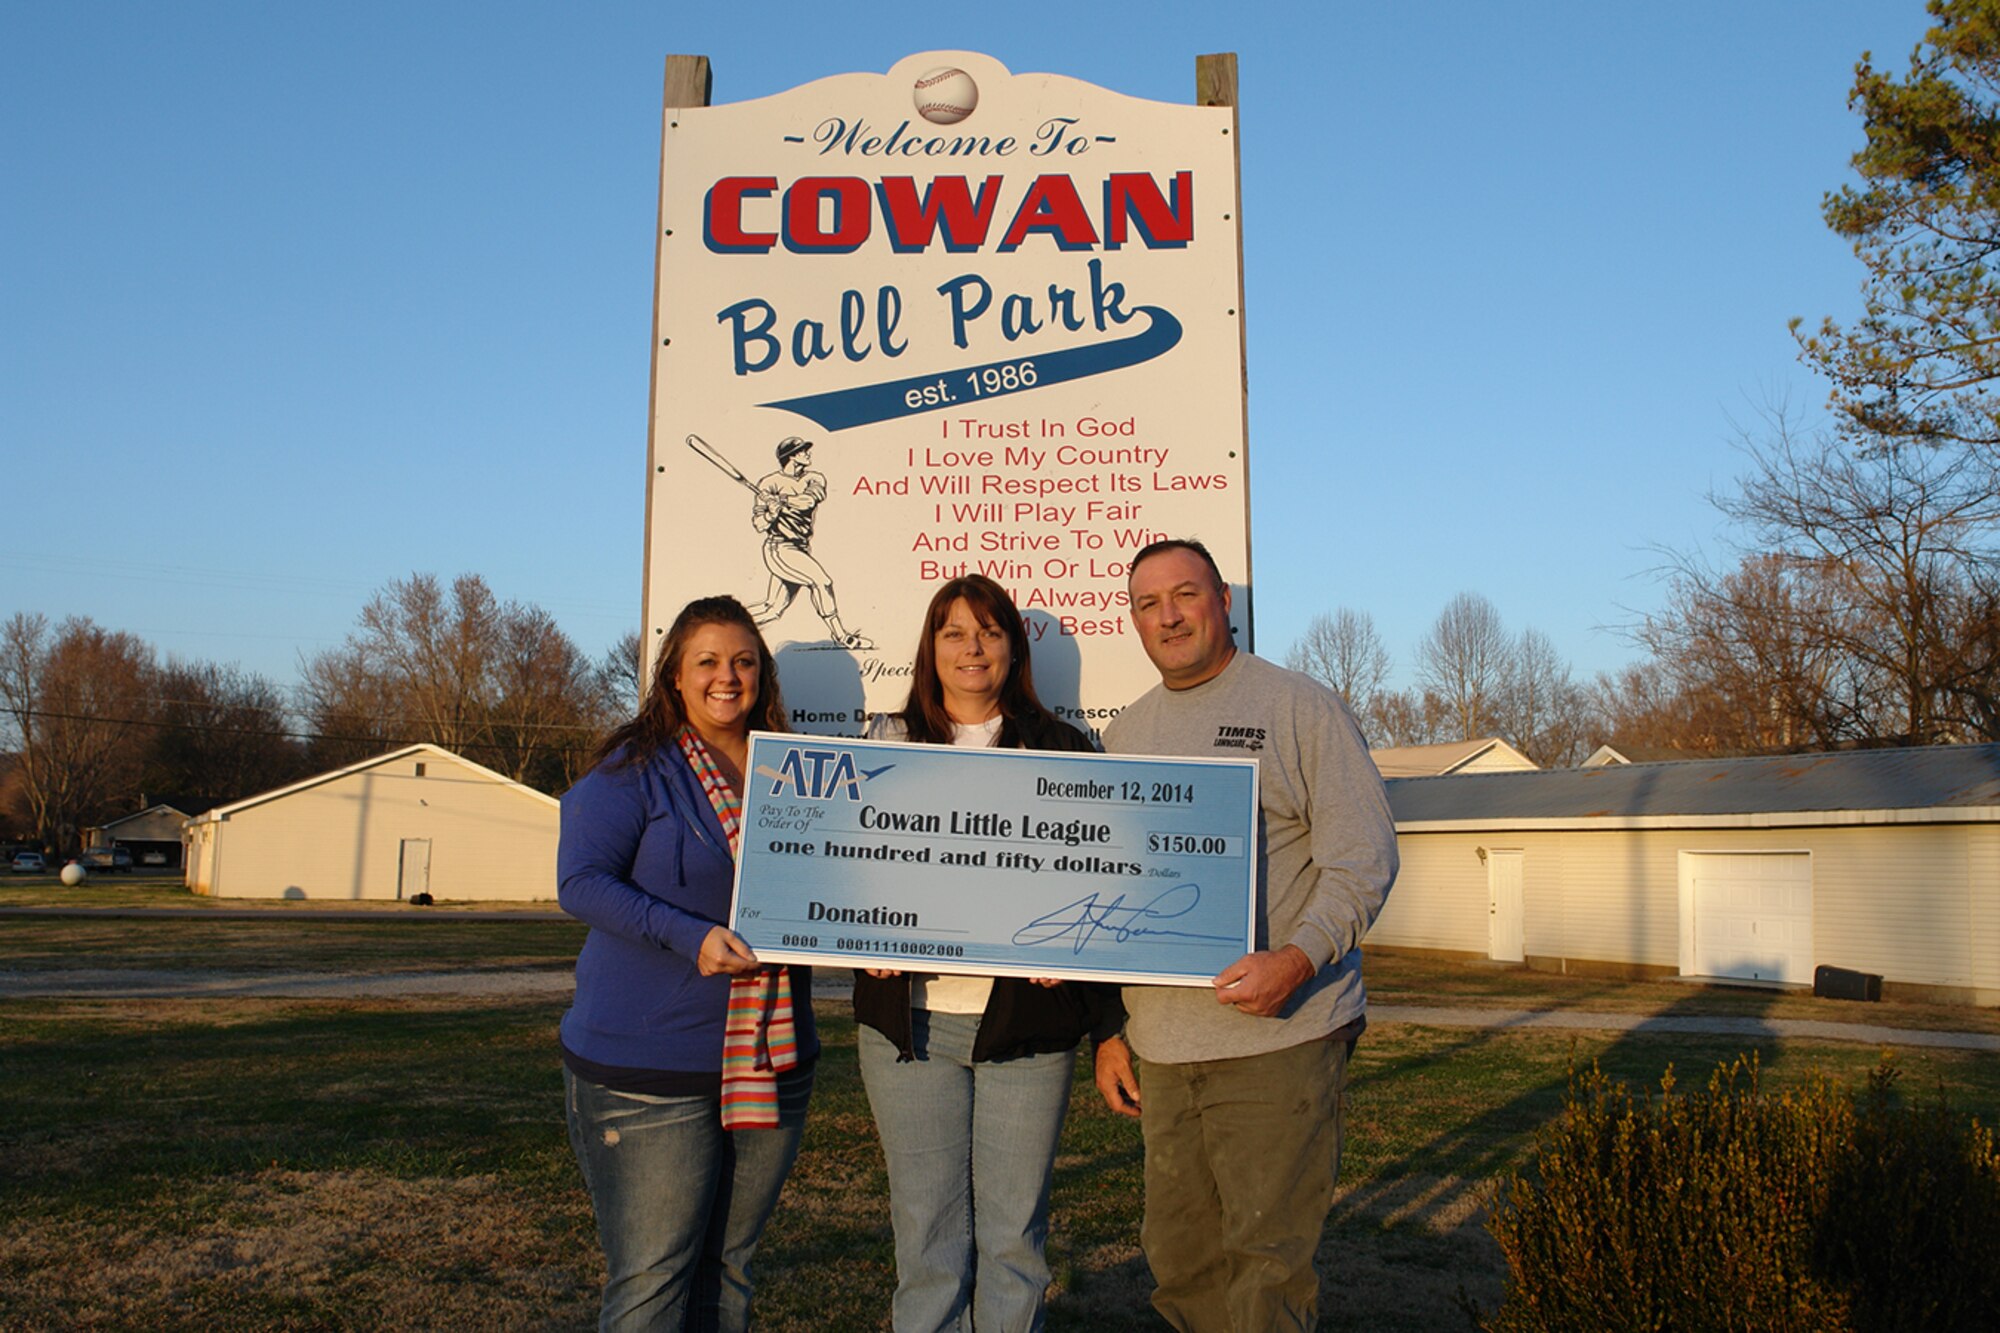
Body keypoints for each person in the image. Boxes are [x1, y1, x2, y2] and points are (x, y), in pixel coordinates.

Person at [1092, 539, 1397, 1332]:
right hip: (1163, 1047)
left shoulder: (1297, 706)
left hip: (1279, 1036)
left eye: (1185, 594)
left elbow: (1363, 857)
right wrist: (1120, 1029)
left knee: (1266, 1269)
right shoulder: (1124, 736)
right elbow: (1117, 895)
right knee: (1182, 1261)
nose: (1168, 615)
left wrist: (1298, 960)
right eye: (1147, 603)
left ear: (1222, 599)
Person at [854, 574, 1116, 1332]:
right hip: (911, 1030)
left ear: (1013, 648)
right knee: (929, 1240)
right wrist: (862, 934)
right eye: (954, 632)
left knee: (1014, 1241)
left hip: (1027, 1032)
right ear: (930, 649)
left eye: (990, 631)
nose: (972, 648)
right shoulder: (885, 743)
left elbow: (1101, 885)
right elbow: (849, 868)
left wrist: (1072, 943)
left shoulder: (1067, 747)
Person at [558, 595, 818, 1332]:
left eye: (743, 660)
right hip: (648, 1070)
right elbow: (580, 880)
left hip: (770, 1060)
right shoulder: (635, 768)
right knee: (653, 1281)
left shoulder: (795, 770)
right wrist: (687, 934)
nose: (726, 677)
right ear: (675, 676)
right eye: (706, 661)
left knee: (729, 1268)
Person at [744, 436, 872, 649]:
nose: (808, 453)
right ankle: (841, 636)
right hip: (779, 547)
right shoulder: (768, 484)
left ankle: (726, 621)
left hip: (800, 547)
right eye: (802, 450)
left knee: (772, 610)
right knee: (822, 582)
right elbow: (759, 524)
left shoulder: (814, 478)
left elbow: (809, 501)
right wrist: (771, 514)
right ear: (791, 456)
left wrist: (781, 501)